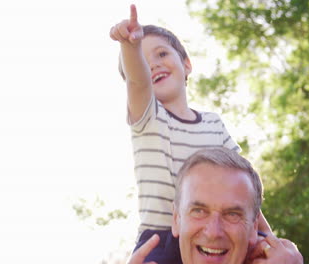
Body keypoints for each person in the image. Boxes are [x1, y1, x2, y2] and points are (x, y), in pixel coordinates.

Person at [109, 4, 271, 263]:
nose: (153, 65)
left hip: (216, 229)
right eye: (143, 60)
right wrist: (130, 46)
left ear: (186, 63)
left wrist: (270, 240)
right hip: (160, 239)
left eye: (162, 54)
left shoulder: (213, 123)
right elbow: (138, 81)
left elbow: (244, 188)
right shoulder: (147, 118)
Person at [128, 148, 303, 264]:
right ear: (176, 219)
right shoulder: (153, 254)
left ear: (254, 227)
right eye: (198, 211)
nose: (213, 232)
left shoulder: (274, 257)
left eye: (232, 214)